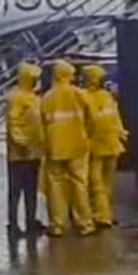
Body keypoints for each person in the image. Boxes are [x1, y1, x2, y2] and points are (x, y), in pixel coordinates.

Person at [40, 60, 96, 237]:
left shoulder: (47, 97)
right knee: (80, 184)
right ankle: (85, 224)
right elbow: (92, 119)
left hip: (55, 146)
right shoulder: (79, 94)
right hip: (78, 144)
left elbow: (41, 123)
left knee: (55, 186)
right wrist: (88, 136)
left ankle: (57, 225)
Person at [82, 63, 128, 229]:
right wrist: (120, 132)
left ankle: (103, 214)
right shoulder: (103, 96)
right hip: (106, 144)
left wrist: (121, 132)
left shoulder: (87, 96)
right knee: (99, 183)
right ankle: (102, 215)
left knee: (101, 183)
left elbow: (112, 117)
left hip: (101, 145)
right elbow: (113, 117)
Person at [6, 62, 46, 237]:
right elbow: (12, 122)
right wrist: (21, 143)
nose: (36, 80)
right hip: (20, 153)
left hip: (34, 151)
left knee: (31, 190)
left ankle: (31, 221)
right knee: (16, 191)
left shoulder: (33, 97)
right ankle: (13, 224)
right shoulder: (16, 97)